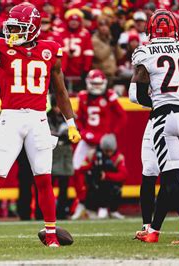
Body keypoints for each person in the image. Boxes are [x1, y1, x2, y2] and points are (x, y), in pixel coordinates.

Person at [0, 2, 81, 248]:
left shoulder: (50, 50)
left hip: (38, 120)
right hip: (10, 118)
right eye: (11, 27)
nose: (12, 33)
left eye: (19, 28)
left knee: (43, 180)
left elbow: (61, 91)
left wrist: (71, 123)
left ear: (33, 29)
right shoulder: (2, 46)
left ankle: (51, 235)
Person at [130, 9, 179, 244]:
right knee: (177, 177)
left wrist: (157, 103)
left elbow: (140, 93)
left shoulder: (146, 51)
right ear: (175, 29)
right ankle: (154, 231)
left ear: (151, 29)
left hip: (165, 116)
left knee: (170, 178)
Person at [71, 69, 127, 220]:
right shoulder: (82, 96)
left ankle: (105, 206)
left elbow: (122, 116)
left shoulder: (109, 95)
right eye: (93, 83)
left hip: (103, 142)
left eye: (98, 83)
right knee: (76, 168)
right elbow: (79, 119)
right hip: (87, 139)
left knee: (105, 171)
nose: (96, 86)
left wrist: (111, 134)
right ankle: (82, 202)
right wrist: (82, 132)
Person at [80, 134, 127, 219]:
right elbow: (82, 168)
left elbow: (123, 175)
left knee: (115, 188)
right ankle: (91, 209)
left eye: (110, 151)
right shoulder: (93, 154)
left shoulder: (118, 158)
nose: (108, 153)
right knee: (90, 181)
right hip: (94, 186)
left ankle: (112, 210)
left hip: (110, 186)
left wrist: (106, 175)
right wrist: (93, 165)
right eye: (106, 151)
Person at [47, 97, 73, 219]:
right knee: (48, 184)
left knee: (64, 185)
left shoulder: (68, 116)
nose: (57, 109)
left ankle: (62, 211)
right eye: (56, 106)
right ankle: (45, 211)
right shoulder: (47, 117)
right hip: (52, 151)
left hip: (65, 152)